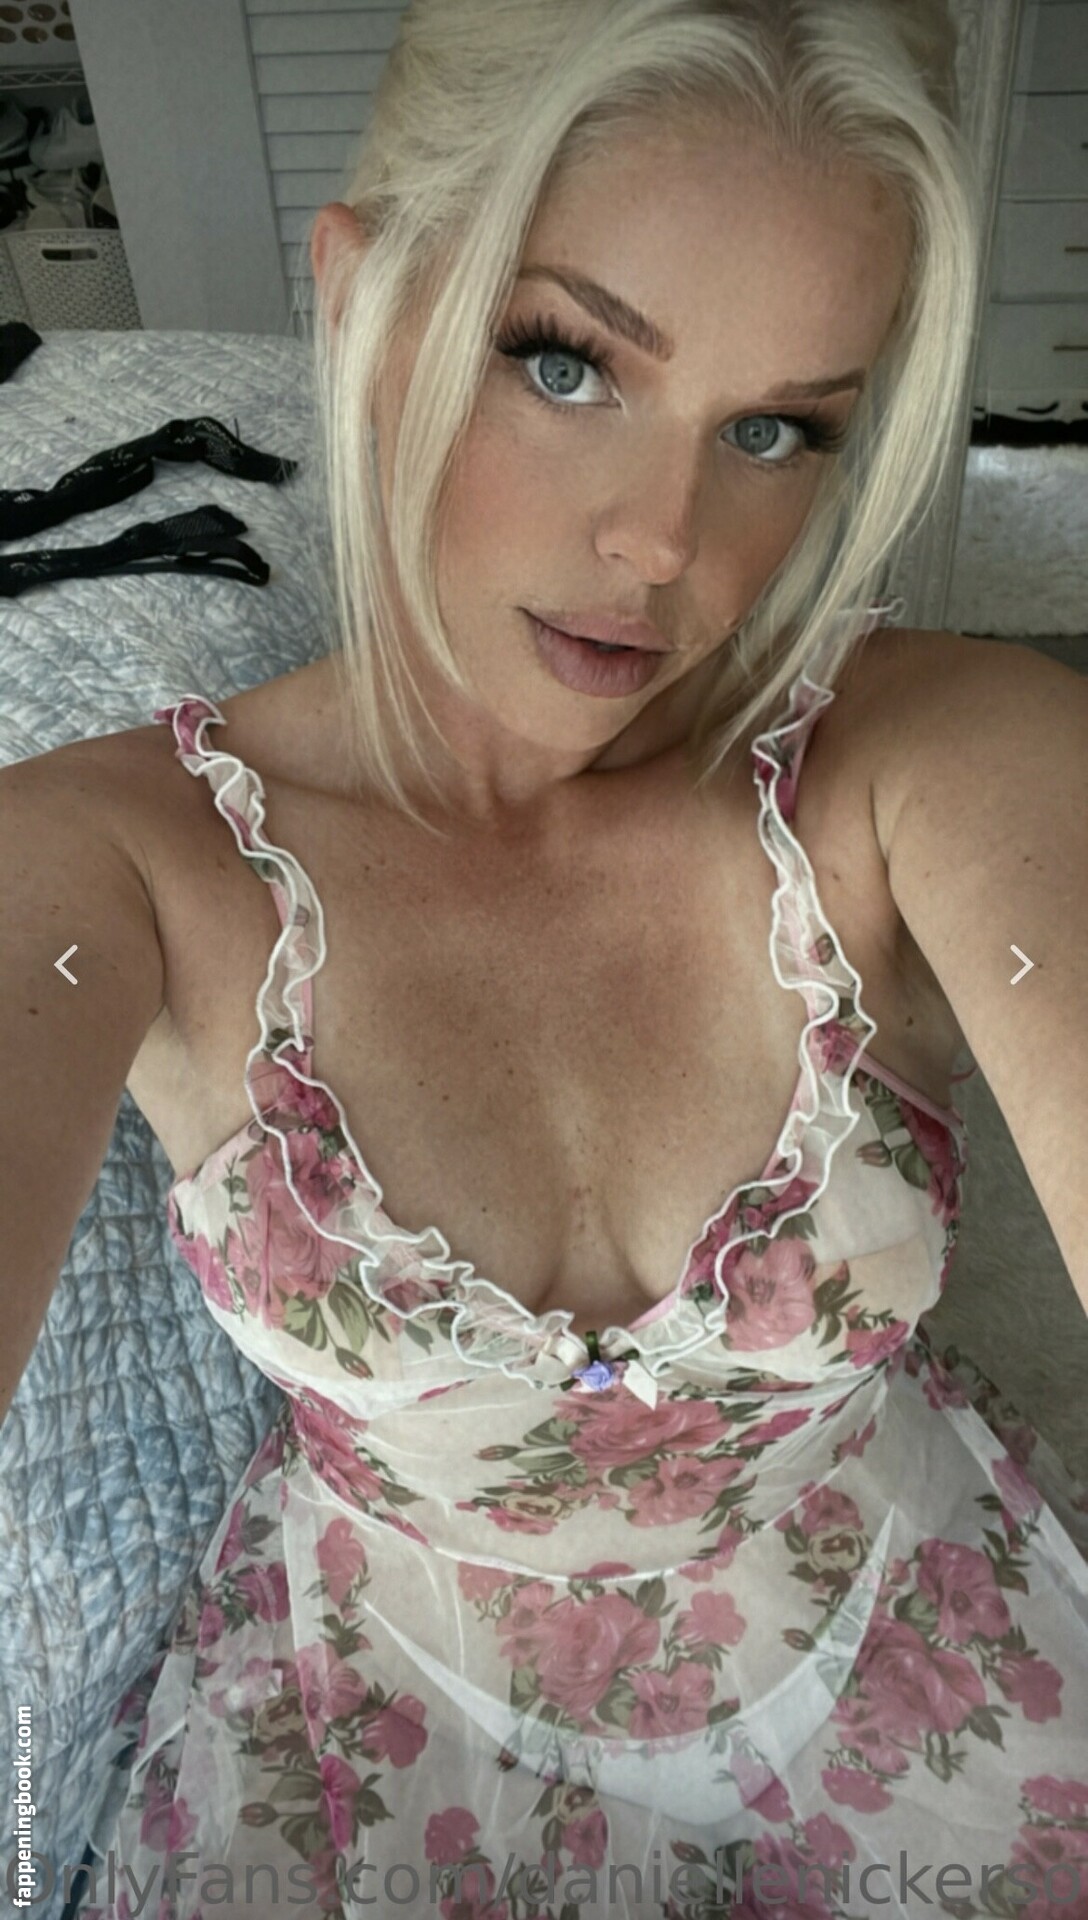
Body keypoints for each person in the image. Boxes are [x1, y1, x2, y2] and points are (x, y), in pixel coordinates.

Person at [3, 1, 1086, 1915]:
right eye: (567, 362)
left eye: (774, 428)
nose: (664, 542)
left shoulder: (941, 755)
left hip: (917, 1677)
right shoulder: (114, 862)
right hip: (364, 1741)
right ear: (363, 303)